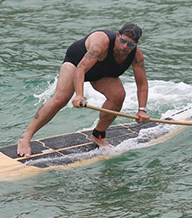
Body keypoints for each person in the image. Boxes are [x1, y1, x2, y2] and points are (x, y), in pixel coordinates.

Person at [17, 22, 150, 157]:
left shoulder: (136, 56)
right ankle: (26, 136)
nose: (124, 47)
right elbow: (81, 68)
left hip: (100, 72)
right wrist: (79, 95)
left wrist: (142, 110)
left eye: (130, 45)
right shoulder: (100, 44)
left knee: (118, 96)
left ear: (136, 45)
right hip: (76, 64)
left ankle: (98, 136)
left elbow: (142, 84)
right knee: (60, 99)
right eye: (122, 41)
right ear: (117, 35)